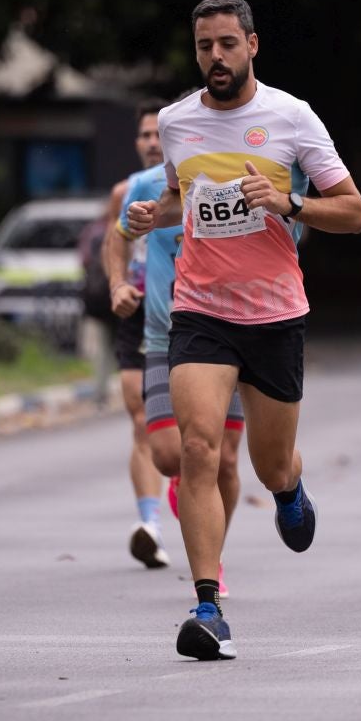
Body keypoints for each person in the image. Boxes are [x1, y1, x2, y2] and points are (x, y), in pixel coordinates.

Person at [124, 0, 361, 661]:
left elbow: (353, 212)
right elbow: (185, 198)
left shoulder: (291, 117)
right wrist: (157, 215)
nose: (216, 58)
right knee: (200, 450)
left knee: (268, 463)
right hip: (200, 308)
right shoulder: (177, 122)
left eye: (228, 44)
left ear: (252, 45)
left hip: (276, 313)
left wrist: (288, 201)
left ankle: (289, 488)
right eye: (205, 46)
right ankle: (207, 606)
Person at [116, 140, 246, 596]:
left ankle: (214, 558)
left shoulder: (244, 176)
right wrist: (117, 284)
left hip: (226, 333)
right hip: (161, 335)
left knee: (224, 459)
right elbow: (118, 236)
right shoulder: (149, 186)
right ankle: (184, 485)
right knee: (173, 455)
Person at [105, 99, 174, 569]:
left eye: (158, 134)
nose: (151, 142)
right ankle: (149, 523)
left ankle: (184, 507)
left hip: (193, 313)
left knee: (190, 433)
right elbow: (115, 243)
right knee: (142, 418)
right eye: (144, 135)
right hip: (139, 315)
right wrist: (118, 286)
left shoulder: (199, 179)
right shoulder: (126, 191)